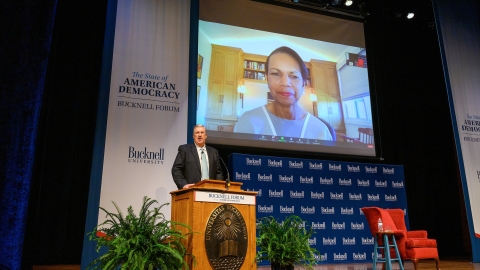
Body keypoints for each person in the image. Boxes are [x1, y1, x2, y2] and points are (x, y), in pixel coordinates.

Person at [234, 46, 333, 141]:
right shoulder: (247, 122)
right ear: (267, 79)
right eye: (276, 74)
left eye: (294, 76)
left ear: (303, 83)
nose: (285, 83)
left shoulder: (321, 130)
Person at [171, 124, 224, 189]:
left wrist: (218, 186)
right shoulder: (185, 150)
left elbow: (219, 173)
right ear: (193, 136)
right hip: (191, 190)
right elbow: (176, 169)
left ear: (206, 136)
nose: (200, 135)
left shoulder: (213, 152)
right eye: (197, 133)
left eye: (202, 132)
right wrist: (184, 184)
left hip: (210, 191)